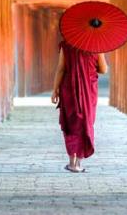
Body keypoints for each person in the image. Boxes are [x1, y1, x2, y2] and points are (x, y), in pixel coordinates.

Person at [51, 39, 108, 173]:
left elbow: (60, 69)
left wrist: (55, 90)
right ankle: (78, 162)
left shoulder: (66, 45)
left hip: (69, 89)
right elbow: (104, 69)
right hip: (89, 90)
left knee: (71, 123)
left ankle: (72, 162)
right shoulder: (97, 46)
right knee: (85, 122)